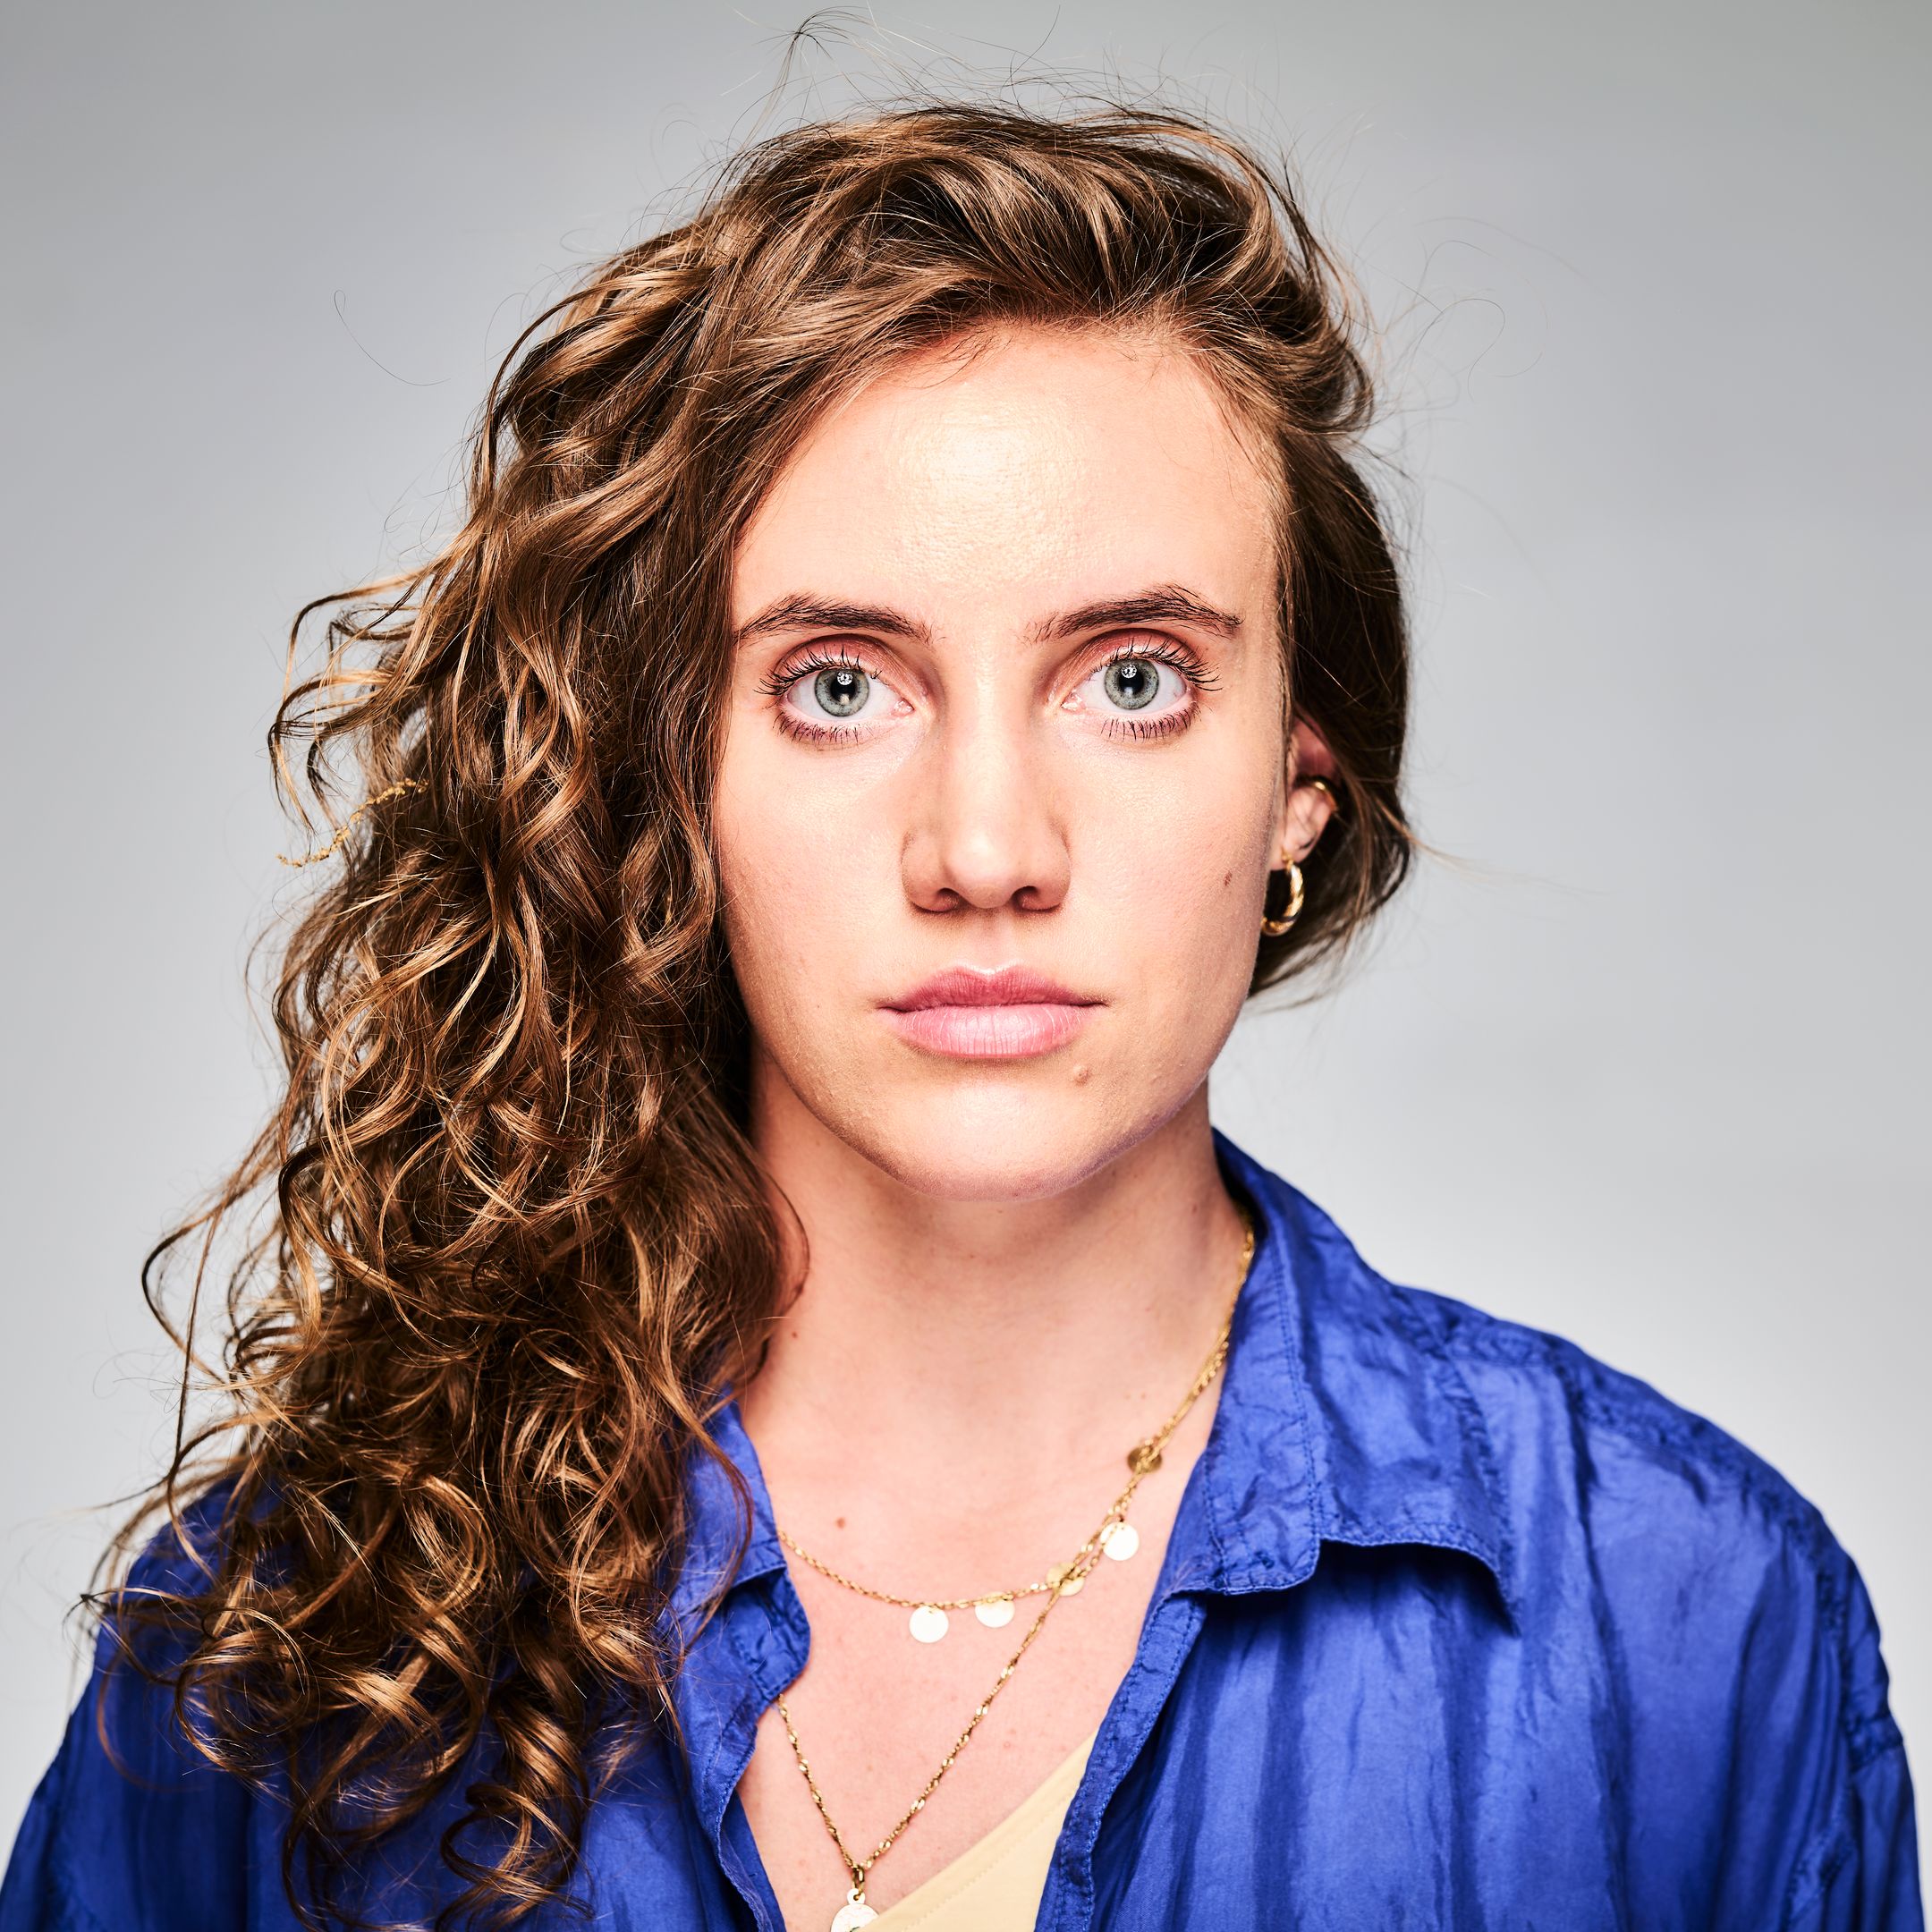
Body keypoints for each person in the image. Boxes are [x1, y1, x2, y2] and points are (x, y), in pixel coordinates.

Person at [0, 96, 1919, 1932]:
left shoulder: (1689, 1626)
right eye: (840, 687)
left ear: (1300, 782)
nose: (987, 849)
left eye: (1135, 678)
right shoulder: (293, 1635)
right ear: (677, 782)